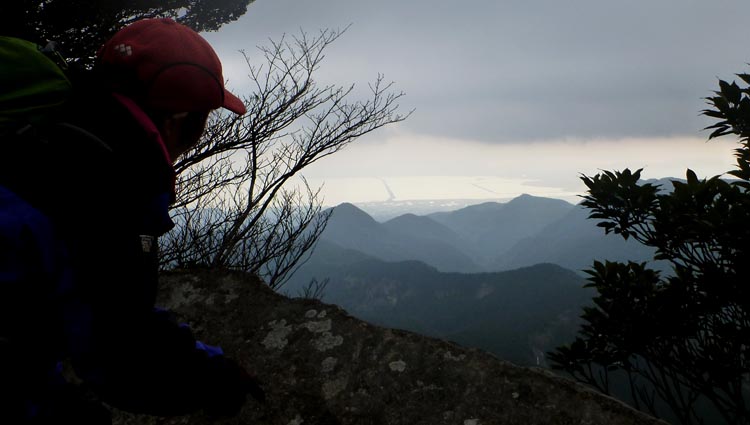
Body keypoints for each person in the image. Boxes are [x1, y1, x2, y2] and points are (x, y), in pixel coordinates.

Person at [0, 18, 263, 423]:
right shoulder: (107, 185)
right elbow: (120, 356)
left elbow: (82, 301)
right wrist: (212, 377)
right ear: (178, 119)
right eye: (202, 120)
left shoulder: (45, 137)